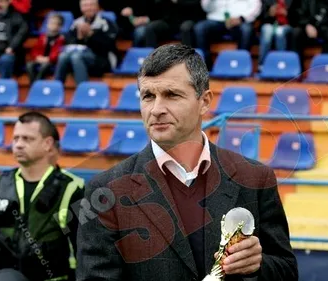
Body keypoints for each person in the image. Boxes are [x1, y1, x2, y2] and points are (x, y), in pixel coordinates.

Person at [76, 44, 298, 281]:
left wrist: (257, 266)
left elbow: (286, 270)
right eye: (148, 96)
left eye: (172, 95)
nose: (157, 109)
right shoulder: (105, 190)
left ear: (204, 101)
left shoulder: (255, 178)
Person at [0, 111, 85, 281]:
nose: (19, 144)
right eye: (15, 138)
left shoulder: (71, 188)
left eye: (27, 139)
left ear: (48, 143)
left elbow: (84, 252)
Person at [54, 0, 118, 86]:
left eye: (91, 5)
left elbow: (109, 45)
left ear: (97, 7)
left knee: (76, 57)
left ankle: (82, 93)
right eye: (85, 5)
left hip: (102, 60)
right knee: (63, 56)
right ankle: (55, 89)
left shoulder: (106, 23)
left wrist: (91, 34)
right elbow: (69, 44)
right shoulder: (76, 23)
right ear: (81, 8)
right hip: (78, 60)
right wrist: (79, 37)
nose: (88, 8)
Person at [26, 13, 65, 84]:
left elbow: (58, 52)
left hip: (52, 61)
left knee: (44, 66)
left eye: (54, 23)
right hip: (40, 59)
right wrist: (37, 57)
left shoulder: (61, 39)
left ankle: (37, 85)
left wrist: (49, 59)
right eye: (50, 23)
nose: (51, 25)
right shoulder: (43, 37)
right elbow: (35, 50)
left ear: (60, 26)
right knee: (29, 65)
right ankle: (33, 84)